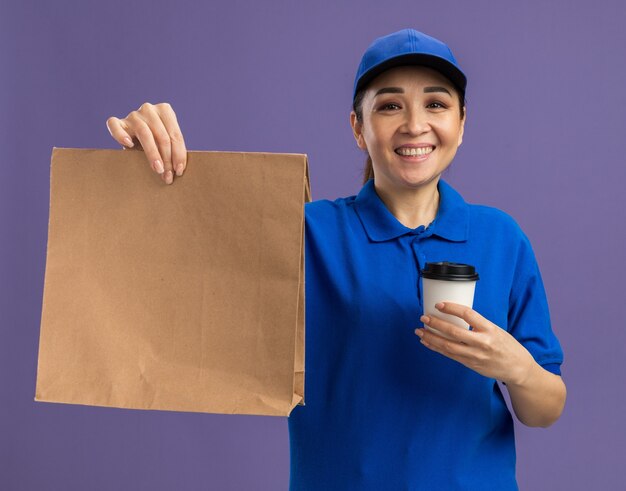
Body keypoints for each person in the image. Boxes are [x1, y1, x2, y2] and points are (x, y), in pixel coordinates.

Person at [106, 28, 566, 491]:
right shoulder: (305, 232)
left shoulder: (502, 238)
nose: (414, 124)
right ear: (357, 128)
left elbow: (544, 409)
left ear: (462, 123)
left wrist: (518, 368)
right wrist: (145, 161)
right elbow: (175, 266)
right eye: (389, 105)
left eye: (436, 104)